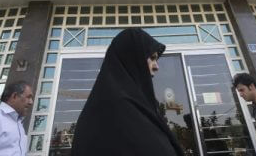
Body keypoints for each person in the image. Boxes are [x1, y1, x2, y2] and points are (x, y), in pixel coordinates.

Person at [70, 28, 184, 156]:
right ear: (131, 58)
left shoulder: (137, 106)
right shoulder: (116, 109)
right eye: (152, 58)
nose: (156, 66)